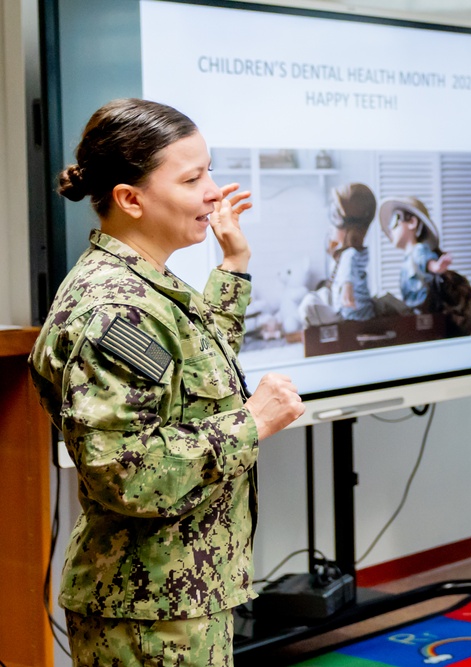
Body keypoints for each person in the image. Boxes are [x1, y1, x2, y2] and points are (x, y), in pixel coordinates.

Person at [29, 98, 305, 666]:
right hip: (149, 613)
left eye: (209, 169)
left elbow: (193, 376)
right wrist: (252, 422)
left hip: (179, 596)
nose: (214, 191)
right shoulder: (113, 309)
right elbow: (128, 474)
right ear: (131, 199)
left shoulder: (144, 282)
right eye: (192, 177)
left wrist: (234, 266)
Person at [300, 183, 378, 325]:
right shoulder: (347, 253)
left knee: (309, 305)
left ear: (350, 227)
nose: (331, 225)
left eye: (335, 217)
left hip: (352, 317)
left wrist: (347, 288)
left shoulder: (350, 255)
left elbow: (347, 274)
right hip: (351, 313)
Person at [378, 196, 453, 312]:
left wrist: (436, 267)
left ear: (412, 222)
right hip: (412, 307)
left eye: (394, 220)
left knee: (383, 302)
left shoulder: (418, 249)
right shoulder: (408, 257)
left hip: (420, 308)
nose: (391, 229)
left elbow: (425, 261)